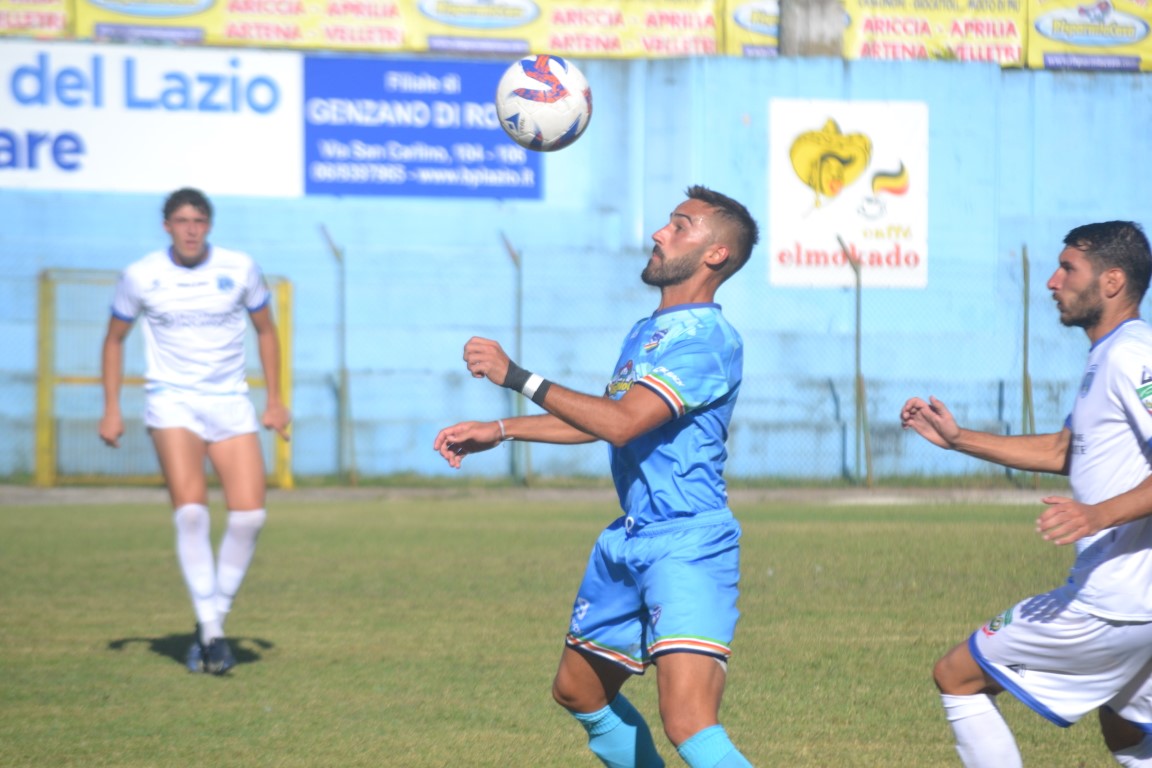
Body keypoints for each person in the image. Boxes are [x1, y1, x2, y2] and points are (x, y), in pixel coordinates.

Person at [433, 186, 759, 768]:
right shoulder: (647, 330)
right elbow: (606, 418)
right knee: (578, 690)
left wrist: (517, 377)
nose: (659, 233)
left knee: (689, 724)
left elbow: (622, 424)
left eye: (679, 226)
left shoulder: (707, 340)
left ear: (716, 255)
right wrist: (501, 430)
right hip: (628, 539)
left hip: (687, 542)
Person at [901, 220, 1152, 767]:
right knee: (1125, 727)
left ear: (1112, 281)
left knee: (957, 675)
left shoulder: (1133, 355)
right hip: (1137, 605)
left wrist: (1098, 514)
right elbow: (1066, 449)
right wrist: (960, 439)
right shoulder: (1108, 354)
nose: (1052, 282)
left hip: (1116, 604)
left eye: (1067, 269)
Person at [99, 187, 290, 675]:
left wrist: (273, 401)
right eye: (182, 221)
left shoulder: (240, 268)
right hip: (172, 402)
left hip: (229, 402)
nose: (191, 229)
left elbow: (266, 331)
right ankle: (212, 634)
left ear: (209, 225)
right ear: (167, 226)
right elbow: (114, 339)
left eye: (199, 221)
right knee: (191, 512)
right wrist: (111, 409)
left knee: (250, 517)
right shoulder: (141, 275)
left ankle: (211, 624)